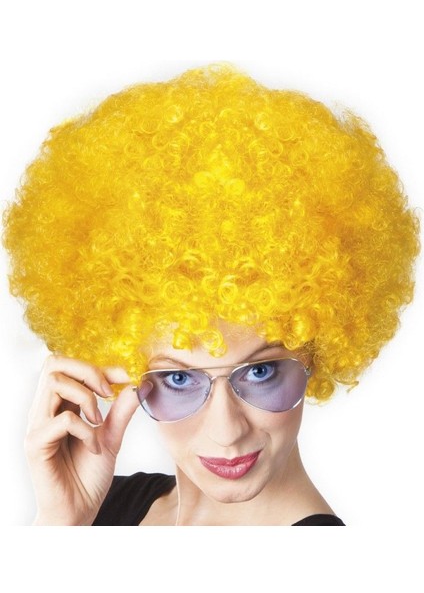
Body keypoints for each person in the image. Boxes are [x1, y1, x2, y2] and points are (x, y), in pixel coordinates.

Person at [2, 62, 420, 526]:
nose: (226, 433)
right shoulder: (102, 505)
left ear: (318, 354)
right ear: (122, 372)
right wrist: (59, 522)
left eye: (260, 371)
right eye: (178, 379)